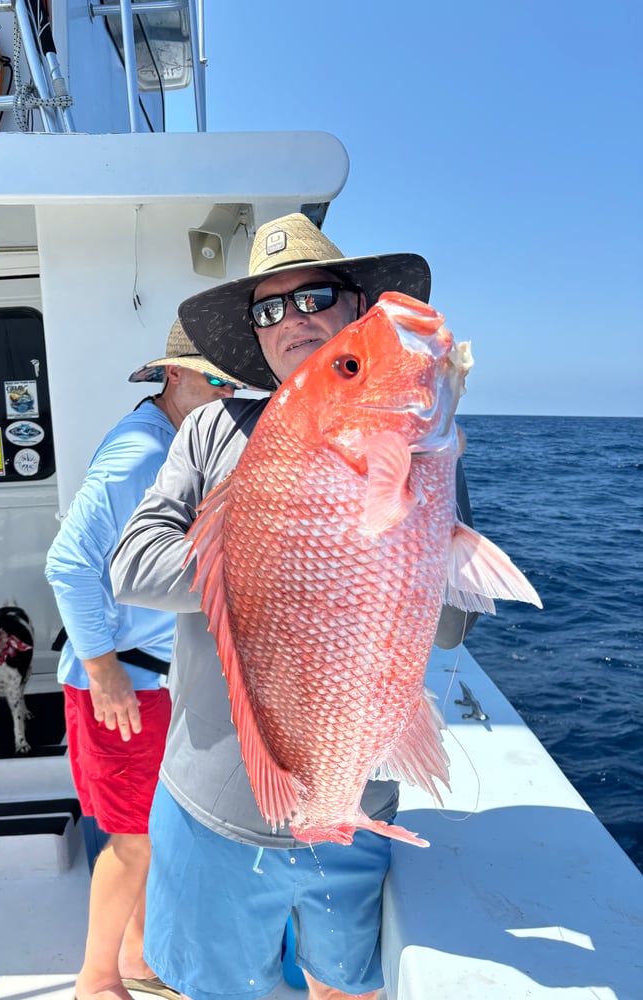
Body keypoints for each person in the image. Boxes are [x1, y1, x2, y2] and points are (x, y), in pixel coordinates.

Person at [109, 214, 478, 1000]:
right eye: (269, 309)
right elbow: (131, 566)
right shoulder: (209, 429)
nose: (293, 319)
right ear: (255, 334)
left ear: (356, 307)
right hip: (210, 807)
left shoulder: (420, 442)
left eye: (314, 295)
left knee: (345, 987)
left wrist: (427, 491)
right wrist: (270, 556)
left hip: (353, 805)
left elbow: (448, 628)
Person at [45, 318, 243, 1000]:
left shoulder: (174, 443)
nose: (229, 396)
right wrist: (103, 673)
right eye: (220, 381)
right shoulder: (141, 452)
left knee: (150, 832)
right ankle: (96, 982)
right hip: (120, 684)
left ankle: (136, 956)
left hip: (152, 683)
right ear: (178, 375)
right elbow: (67, 563)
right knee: (133, 839)